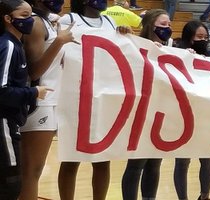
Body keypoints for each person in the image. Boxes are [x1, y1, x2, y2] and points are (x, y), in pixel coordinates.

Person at [56, 0, 130, 199]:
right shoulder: (68, 19)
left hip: (103, 96)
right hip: (75, 95)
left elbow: (124, 53)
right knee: (71, 158)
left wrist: (125, 34)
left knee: (103, 158)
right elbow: (57, 54)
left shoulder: (110, 22)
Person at [19, 0, 74, 199]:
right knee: (30, 172)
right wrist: (59, 41)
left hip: (51, 99)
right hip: (38, 101)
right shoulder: (35, 23)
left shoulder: (48, 21)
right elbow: (35, 71)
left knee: (34, 171)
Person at [0, 1, 52, 199]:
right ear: (7, 18)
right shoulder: (8, 45)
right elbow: (1, 91)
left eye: (31, 15)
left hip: (11, 122)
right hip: (3, 123)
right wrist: (33, 92)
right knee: (10, 184)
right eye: (24, 15)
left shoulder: (16, 44)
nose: (30, 20)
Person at [120, 9, 173, 200]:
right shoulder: (136, 45)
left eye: (169, 24)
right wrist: (125, 34)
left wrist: (188, 55)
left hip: (162, 110)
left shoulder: (171, 47)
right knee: (136, 164)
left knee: (154, 163)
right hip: (141, 110)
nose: (169, 28)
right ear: (151, 25)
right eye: (164, 24)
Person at [172, 20, 210, 200]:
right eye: (199, 37)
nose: (203, 40)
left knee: (207, 160)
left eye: (205, 37)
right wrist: (183, 59)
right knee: (182, 162)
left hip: (206, 117)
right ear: (189, 39)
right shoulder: (177, 55)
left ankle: (205, 196)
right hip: (183, 117)